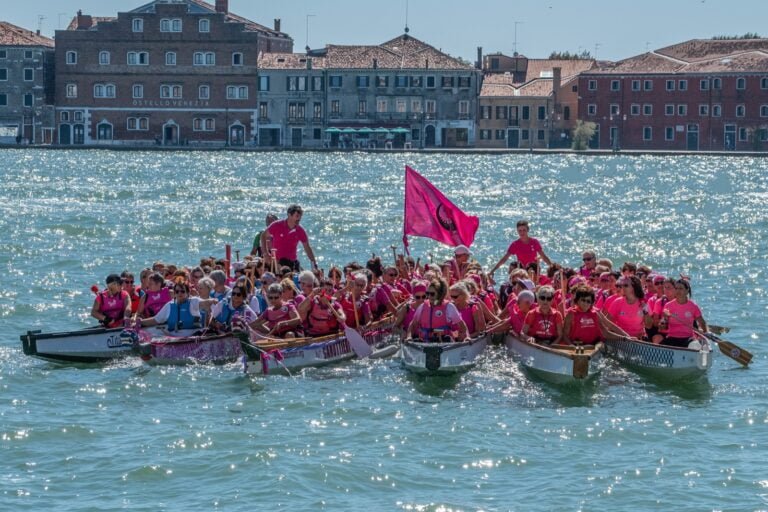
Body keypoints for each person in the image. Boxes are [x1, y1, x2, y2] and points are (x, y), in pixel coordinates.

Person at [562, 285, 628, 345]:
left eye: (588, 301)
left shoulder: (596, 313)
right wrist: (573, 347)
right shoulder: (571, 315)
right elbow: (565, 336)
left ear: (592, 303)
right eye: (583, 300)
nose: (585, 303)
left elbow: (606, 333)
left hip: (594, 347)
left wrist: (625, 337)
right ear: (577, 301)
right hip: (576, 347)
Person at [140, 281, 217, 332]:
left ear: (187, 293)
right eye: (177, 291)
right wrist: (140, 322)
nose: (179, 293)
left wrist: (212, 301)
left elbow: (204, 303)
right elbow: (155, 320)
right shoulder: (169, 305)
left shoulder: (194, 301)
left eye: (182, 291)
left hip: (192, 336)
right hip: (173, 338)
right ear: (174, 293)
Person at [407, 278, 467, 342]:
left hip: (444, 342)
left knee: (447, 339)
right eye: (427, 293)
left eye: (432, 294)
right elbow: (413, 324)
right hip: (425, 341)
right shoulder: (422, 306)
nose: (429, 296)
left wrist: (466, 336)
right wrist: (409, 336)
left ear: (439, 294)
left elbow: (462, 325)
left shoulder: (449, 307)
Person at [261, 204, 318, 272]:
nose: (299, 219)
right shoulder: (277, 225)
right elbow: (263, 236)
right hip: (277, 263)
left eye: (300, 217)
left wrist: (314, 263)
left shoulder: (300, 230)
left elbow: (307, 248)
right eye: (297, 216)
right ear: (289, 215)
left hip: (292, 263)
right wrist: (266, 253)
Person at [653, 279, 708, 347]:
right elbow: (662, 328)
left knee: (694, 345)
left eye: (681, 288)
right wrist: (664, 320)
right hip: (672, 338)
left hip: (688, 338)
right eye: (676, 288)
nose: (678, 291)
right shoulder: (668, 305)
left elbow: (702, 322)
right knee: (660, 348)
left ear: (687, 290)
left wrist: (705, 334)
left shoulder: (693, 306)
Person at [603, 276, 650, 340]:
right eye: (622, 285)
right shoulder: (617, 302)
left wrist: (645, 311)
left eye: (626, 285)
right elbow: (607, 322)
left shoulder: (643, 302)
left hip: (638, 339)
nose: (622, 287)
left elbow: (649, 326)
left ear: (634, 287)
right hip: (622, 338)